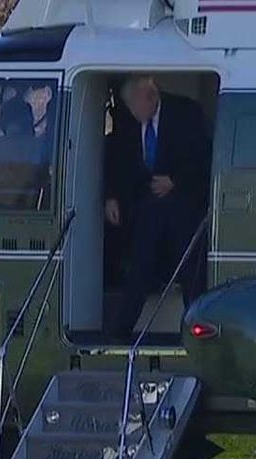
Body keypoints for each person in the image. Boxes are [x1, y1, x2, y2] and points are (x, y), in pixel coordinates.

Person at [104, 75, 211, 341]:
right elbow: (116, 159)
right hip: (147, 206)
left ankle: (195, 333)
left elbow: (204, 157)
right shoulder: (129, 121)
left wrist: (175, 182)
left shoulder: (185, 112)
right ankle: (120, 332)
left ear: (150, 96)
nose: (131, 110)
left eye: (134, 104)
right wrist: (111, 196)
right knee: (139, 266)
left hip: (183, 205)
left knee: (190, 272)